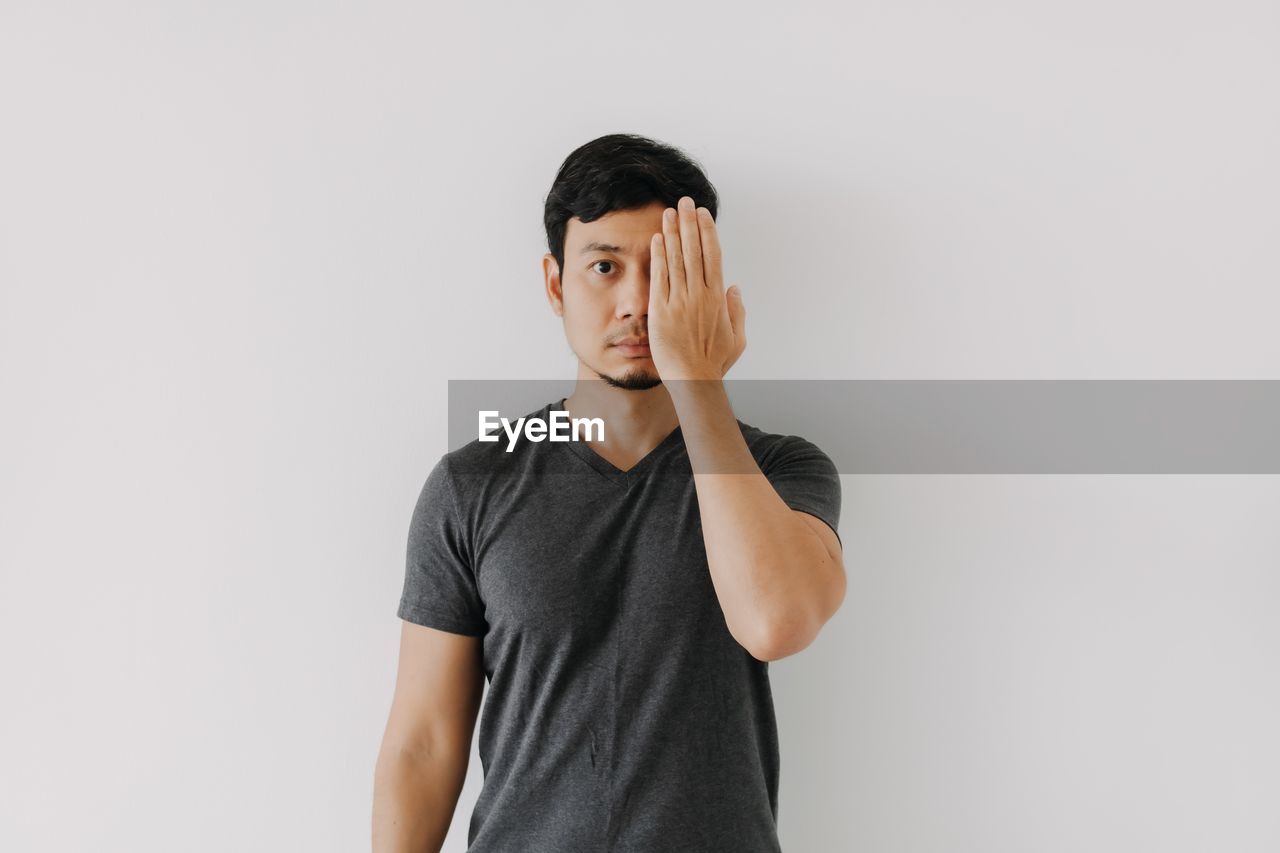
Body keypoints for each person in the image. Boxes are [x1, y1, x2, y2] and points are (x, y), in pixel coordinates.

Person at [372, 133, 846, 852]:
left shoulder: (782, 470)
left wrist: (699, 381)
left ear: (707, 287)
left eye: (665, 270)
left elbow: (775, 621)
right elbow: (424, 744)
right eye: (604, 266)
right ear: (557, 284)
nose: (636, 302)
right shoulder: (473, 484)